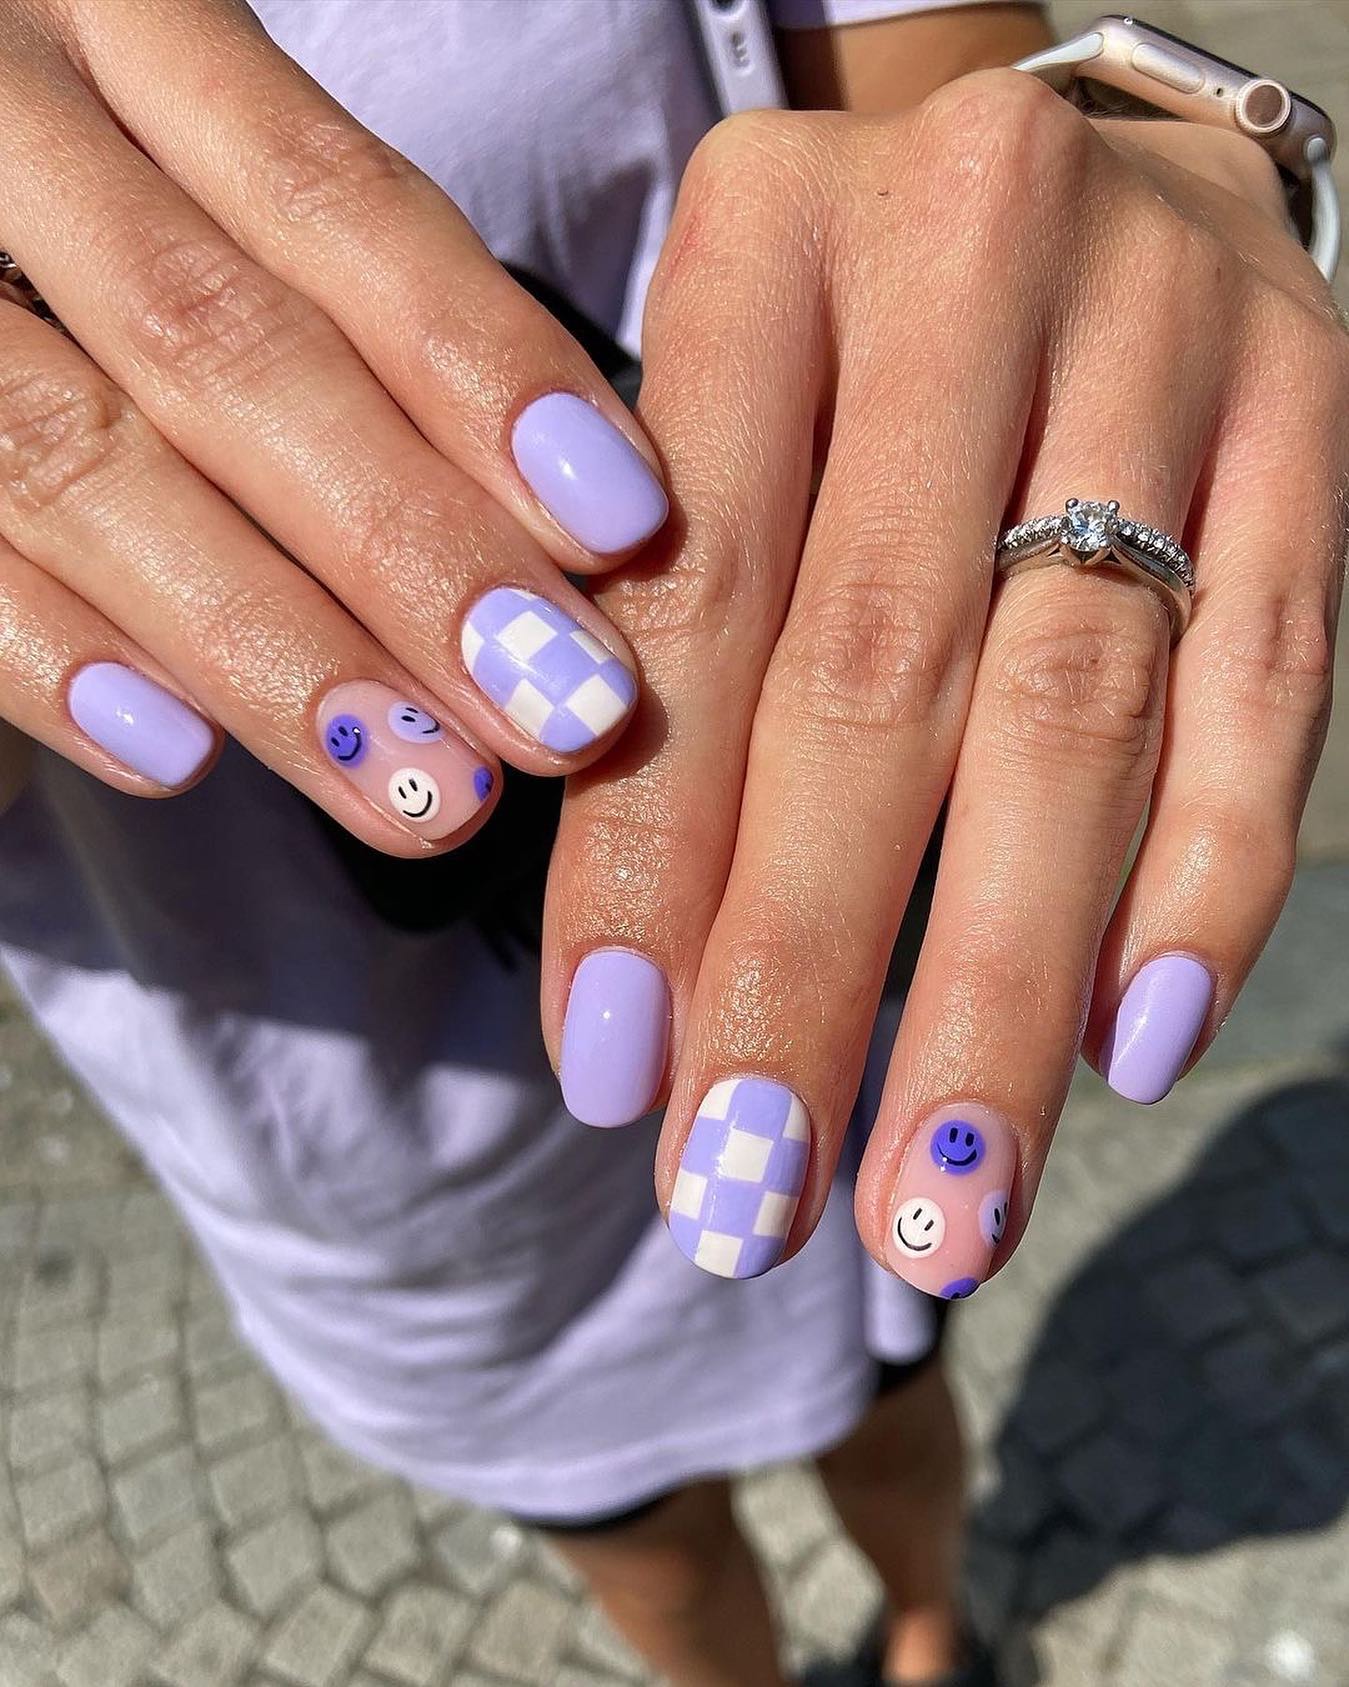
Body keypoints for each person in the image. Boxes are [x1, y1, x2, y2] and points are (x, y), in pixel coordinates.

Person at [0, 2, 1343, 1682]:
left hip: (833, 949)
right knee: (659, 1569)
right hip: (377, 1147)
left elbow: (947, 144)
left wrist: (1132, 189)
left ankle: (933, 1631)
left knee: (895, 1418)